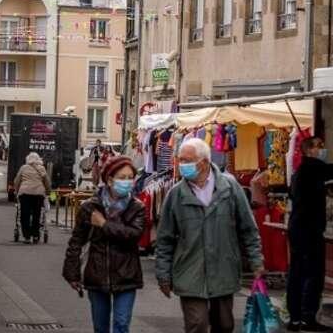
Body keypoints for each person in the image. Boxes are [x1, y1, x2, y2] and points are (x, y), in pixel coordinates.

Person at [156, 138, 263, 333]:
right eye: (180, 160)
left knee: (224, 325)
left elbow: (248, 228)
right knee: (197, 324)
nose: (182, 165)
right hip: (189, 271)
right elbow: (165, 239)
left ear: (204, 162)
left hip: (223, 269)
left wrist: (256, 261)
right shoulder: (175, 194)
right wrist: (163, 275)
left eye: (187, 160)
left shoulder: (230, 188)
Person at [63, 155, 144, 333]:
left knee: (121, 324)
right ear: (109, 179)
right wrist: (72, 273)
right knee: (100, 327)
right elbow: (77, 241)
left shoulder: (137, 207)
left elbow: (133, 235)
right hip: (97, 274)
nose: (128, 182)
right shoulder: (90, 207)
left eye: (131, 178)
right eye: (122, 178)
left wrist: (104, 225)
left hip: (126, 274)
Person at [287, 137, 333, 331]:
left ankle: (295, 318)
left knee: (297, 273)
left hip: (298, 228)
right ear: (309, 150)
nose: (323, 150)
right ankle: (308, 318)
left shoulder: (300, 172)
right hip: (309, 230)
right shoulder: (313, 168)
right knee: (313, 274)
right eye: (319, 147)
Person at [14, 152, 51, 243]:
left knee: (24, 215)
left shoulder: (23, 168)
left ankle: (27, 237)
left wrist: (17, 191)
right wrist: (48, 192)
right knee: (36, 215)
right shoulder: (41, 168)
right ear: (38, 160)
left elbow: (17, 181)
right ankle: (35, 236)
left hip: (25, 194)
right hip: (38, 195)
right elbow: (47, 182)